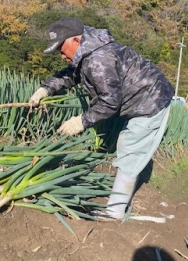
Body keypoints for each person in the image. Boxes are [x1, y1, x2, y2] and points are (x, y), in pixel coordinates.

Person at [29, 18, 174, 221]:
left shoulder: (98, 58)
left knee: (130, 146)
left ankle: (114, 212)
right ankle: (118, 202)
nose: (61, 56)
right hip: (141, 97)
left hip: (151, 100)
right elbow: (72, 74)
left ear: (76, 40)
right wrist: (46, 88)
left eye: (62, 49)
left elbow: (110, 102)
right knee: (127, 145)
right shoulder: (89, 52)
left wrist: (81, 121)